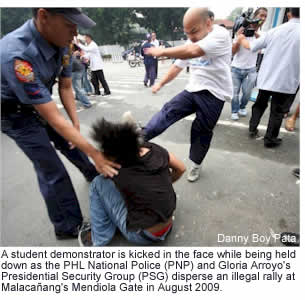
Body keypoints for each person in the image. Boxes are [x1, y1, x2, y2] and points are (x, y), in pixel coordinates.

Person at [1, 8, 120, 240]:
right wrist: (96, 153)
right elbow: (53, 117)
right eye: (70, 25)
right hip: (16, 116)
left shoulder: (63, 42)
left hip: (41, 102)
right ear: (44, 16)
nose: (75, 32)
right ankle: (68, 226)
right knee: (51, 168)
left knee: (71, 142)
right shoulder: (17, 55)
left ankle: (95, 176)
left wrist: (75, 125)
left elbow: (65, 86)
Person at [143, 7, 233, 182]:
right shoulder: (191, 41)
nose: (190, 37)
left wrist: (162, 52)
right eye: (187, 33)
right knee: (168, 110)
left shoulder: (220, 34)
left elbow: (194, 52)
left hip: (214, 93)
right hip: (193, 89)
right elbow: (178, 66)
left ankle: (196, 164)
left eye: (194, 31)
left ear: (208, 23)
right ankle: (138, 137)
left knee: (201, 131)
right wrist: (160, 83)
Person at [78, 114, 185, 246]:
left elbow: (100, 169)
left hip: (142, 235)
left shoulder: (119, 170)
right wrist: (163, 184)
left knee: (98, 183)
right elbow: (181, 168)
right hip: (168, 224)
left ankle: (98, 239)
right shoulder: (154, 149)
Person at [237, 8, 300, 148]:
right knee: (277, 111)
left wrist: (240, 38)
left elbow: (251, 46)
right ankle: (270, 139)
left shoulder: (274, 31)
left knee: (259, 104)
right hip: (287, 81)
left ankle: (252, 128)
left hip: (267, 78)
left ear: (289, 14)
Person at [231, 8, 268, 121]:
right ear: (254, 17)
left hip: (251, 69)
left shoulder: (263, 35)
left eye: (265, 16)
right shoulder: (241, 30)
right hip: (236, 68)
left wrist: (255, 33)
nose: (263, 18)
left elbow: (263, 49)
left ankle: (242, 107)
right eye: (261, 15)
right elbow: (233, 52)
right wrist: (238, 38)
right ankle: (234, 110)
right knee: (235, 93)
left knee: (247, 94)